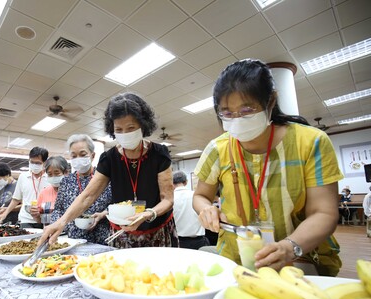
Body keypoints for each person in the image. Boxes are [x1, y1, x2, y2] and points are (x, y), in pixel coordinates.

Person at [192, 59, 343, 276]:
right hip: (235, 258)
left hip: (298, 258)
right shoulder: (218, 148)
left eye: (247, 109)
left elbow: (324, 212)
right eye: (227, 113)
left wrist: (290, 246)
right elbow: (200, 196)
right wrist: (205, 208)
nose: (237, 119)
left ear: (270, 101)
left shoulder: (310, 142)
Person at [40, 92, 178, 248]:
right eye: (118, 129)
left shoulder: (159, 154)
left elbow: (167, 199)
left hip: (157, 229)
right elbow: (87, 196)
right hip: (123, 233)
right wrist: (62, 221)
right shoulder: (109, 158)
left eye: (131, 128)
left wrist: (148, 213)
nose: (124, 134)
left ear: (143, 125)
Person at [51, 134, 112, 244]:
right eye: (74, 156)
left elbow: (116, 205)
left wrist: (103, 214)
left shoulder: (105, 179)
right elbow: (58, 209)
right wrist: (58, 224)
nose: (78, 159)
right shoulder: (66, 181)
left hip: (102, 236)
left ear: (92, 156)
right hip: (74, 239)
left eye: (83, 154)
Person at [0, 147, 49, 228]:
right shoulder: (23, 177)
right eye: (32, 162)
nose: (34, 165)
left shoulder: (49, 178)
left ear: (45, 163)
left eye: (38, 163)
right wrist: (5, 214)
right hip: (25, 219)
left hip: (44, 220)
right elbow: (16, 199)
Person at [172, 170, 210, 249]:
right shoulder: (197, 197)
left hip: (180, 243)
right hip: (199, 242)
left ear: (172, 184)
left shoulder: (170, 200)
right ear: (186, 182)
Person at [31, 156, 68, 225]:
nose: (53, 177)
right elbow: (40, 220)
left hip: (67, 233)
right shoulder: (44, 192)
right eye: (50, 174)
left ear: (66, 172)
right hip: (49, 232)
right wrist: (35, 215)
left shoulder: (72, 191)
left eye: (57, 173)